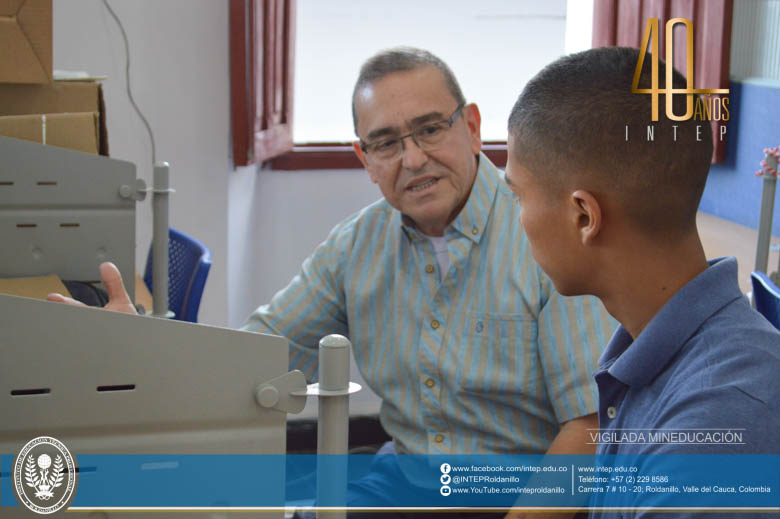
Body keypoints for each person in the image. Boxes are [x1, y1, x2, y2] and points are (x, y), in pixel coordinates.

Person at [50, 47, 615, 515]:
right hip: (401, 487)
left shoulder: (542, 236)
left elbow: (589, 428)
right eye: (387, 142)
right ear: (364, 158)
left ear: (471, 127)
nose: (413, 158)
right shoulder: (355, 247)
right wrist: (138, 349)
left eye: (429, 129)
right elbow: (257, 359)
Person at [504, 46, 780, 518]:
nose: (520, 219)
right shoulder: (657, 354)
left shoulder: (712, 428)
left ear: (584, 215)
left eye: (518, 196)